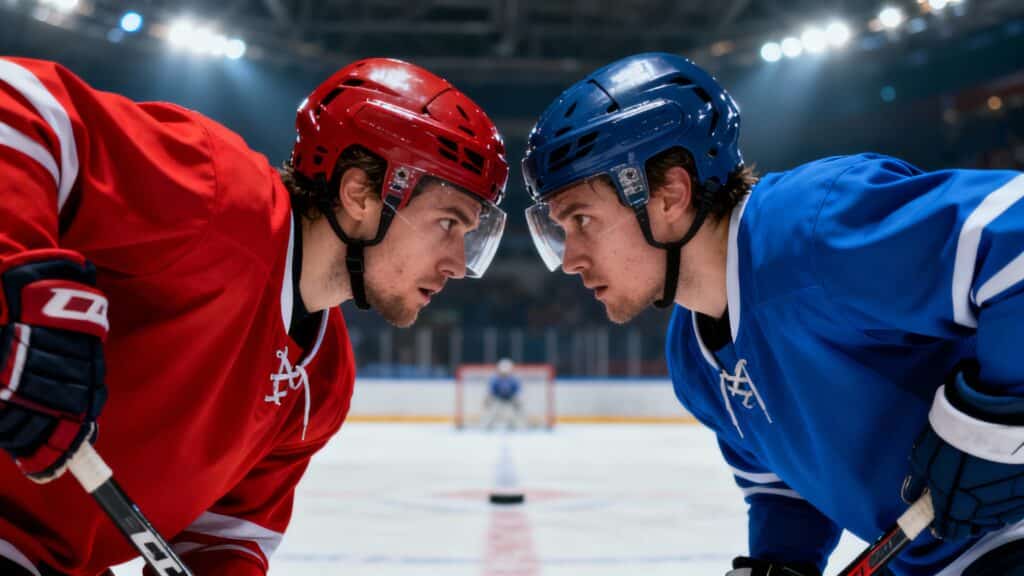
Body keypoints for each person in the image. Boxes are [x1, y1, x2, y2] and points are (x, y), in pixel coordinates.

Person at [521, 52, 1024, 576]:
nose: (569, 259)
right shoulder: (692, 357)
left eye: (582, 219)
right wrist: (780, 563)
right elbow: (783, 485)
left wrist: (1000, 418)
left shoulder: (812, 228)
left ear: (670, 193)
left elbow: (1017, 234)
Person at [0, 56, 507, 575]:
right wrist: (23, 277)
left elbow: (223, 538)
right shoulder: (218, 200)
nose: (458, 264)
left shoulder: (325, 383)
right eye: (448, 222)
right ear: (360, 193)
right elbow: (16, 99)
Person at [483, 358, 524, 429]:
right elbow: (491, 392)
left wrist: (517, 402)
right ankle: (487, 427)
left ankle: (519, 426)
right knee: (492, 412)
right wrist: (488, 400)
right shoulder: (495, 379)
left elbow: (518, 392)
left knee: (515, 413)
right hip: (498, 399)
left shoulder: (514, 379)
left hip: (510, 399)